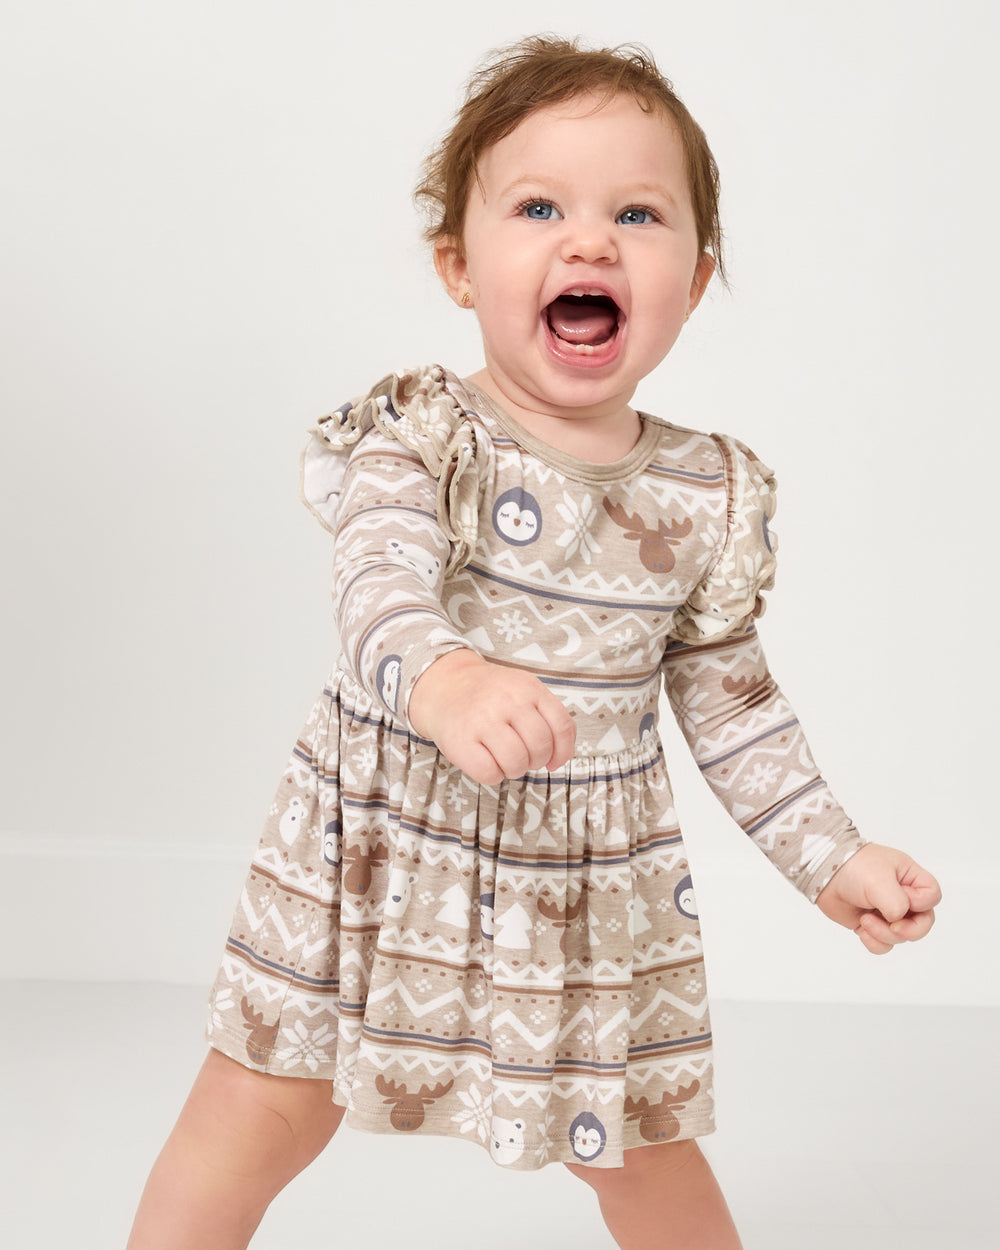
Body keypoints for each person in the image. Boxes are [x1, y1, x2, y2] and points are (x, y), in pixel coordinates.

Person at [126, 35, 941, 1250]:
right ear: (459, 265)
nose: (590, 240)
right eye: (540, 206)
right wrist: (446, 674)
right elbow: (377, 586)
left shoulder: (704, 495)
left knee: (643, 1151)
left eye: (638, 213)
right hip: (382, 846)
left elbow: (732, 702)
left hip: (586, 888)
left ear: (695, 278)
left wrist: (830, 853)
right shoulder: (424, 438)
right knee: (262, 1101)